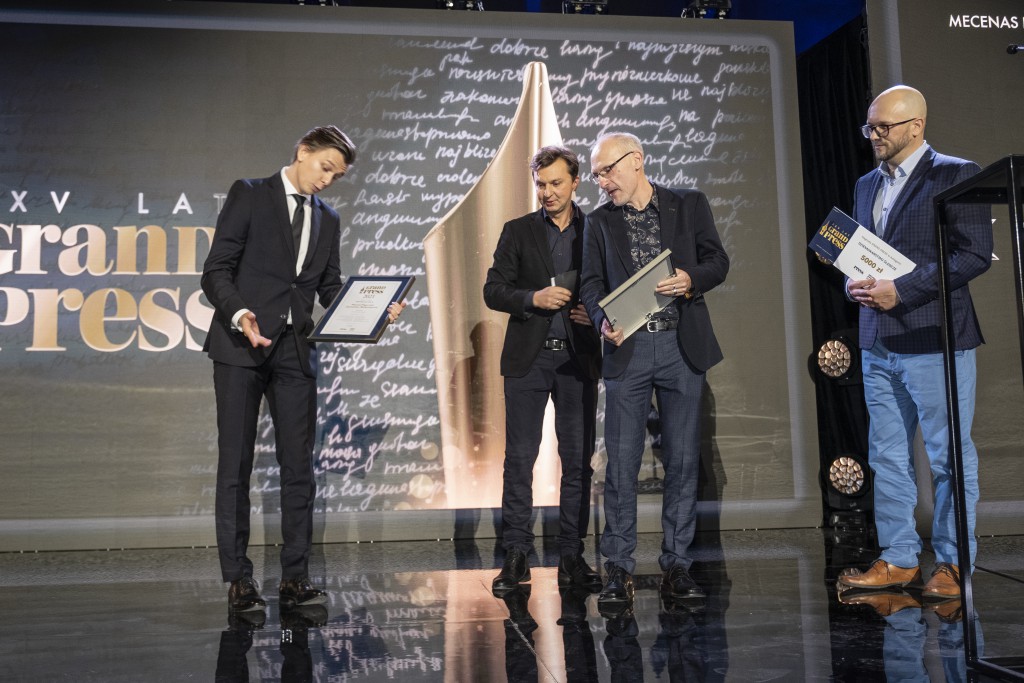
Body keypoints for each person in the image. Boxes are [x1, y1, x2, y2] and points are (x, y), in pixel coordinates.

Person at [201, 126, 405, 614]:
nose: (327, 180)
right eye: (324, 167)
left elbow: (329, 288)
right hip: (241, 347)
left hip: (295, 352)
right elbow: (216, 271)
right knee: (235, 466)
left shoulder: (328, 218)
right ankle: (239, 580)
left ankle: (295, 578)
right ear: (302, 152)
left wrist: (375, 310)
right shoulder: (250, 194)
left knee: (299, 469)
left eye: (337, 176)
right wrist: (240, 314)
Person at [837, 85, 991, 600]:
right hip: (878, 339)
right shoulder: (866, 184)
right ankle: (899, 558)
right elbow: (863, 251)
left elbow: (973, 255)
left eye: (884, 127)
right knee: (885, 456)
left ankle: (952, 563)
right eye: (870, 127)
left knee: (948, 457)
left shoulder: (955, 174)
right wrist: (855, 282)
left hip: (935, 337)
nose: (874, 135)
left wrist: (901, 290)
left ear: (916, 126)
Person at [580, 132, 729, 612]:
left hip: (681, 346)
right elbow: (590, 284)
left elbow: (717, 262)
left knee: (682, 462)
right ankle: (618, 568)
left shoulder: (688, 204)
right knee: (621, 465)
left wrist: (690, 279)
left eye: (608, 171)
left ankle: (677, 565)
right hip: (630, 349)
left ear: (637, 161)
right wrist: (602, 321)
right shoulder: (598, 222)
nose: (603, 182)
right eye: (597, 175)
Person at [483, 146, 603, 595]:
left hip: (577, 360)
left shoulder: (596, 229)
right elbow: (493, 289)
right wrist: (532, 298)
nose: (547, 192)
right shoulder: (518, 231)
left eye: (556, 183)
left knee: (576, 462)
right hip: (528, 361)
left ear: (575, 182)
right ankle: (516, 553)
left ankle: (571, 554)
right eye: (540, 184)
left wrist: (597, 313)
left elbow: (613, 286)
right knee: (519, 459)